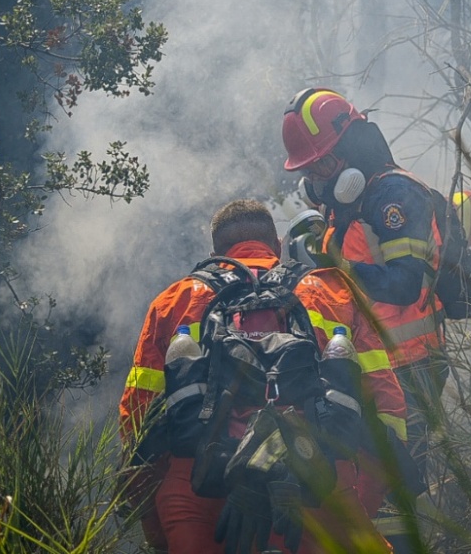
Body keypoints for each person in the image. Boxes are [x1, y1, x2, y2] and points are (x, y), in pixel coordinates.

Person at [118, 199, 406, 553]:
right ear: (279, 246)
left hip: (200, 486)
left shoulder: (173, 301)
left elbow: (138, 424)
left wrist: (156, 524)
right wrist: (356, 500)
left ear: (216, 253)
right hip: (314, 479)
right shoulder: (333, 292)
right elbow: (385, 407)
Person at [280, 88, 451, 549]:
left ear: (352, 145)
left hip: (412, 367)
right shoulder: (346, 204)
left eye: (323, 163)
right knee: (370, 488)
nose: (316, 177)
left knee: (402, 489)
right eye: (310, 169)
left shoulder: (394, 194)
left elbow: (405, 283)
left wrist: (334, 266)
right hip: (376, 370)